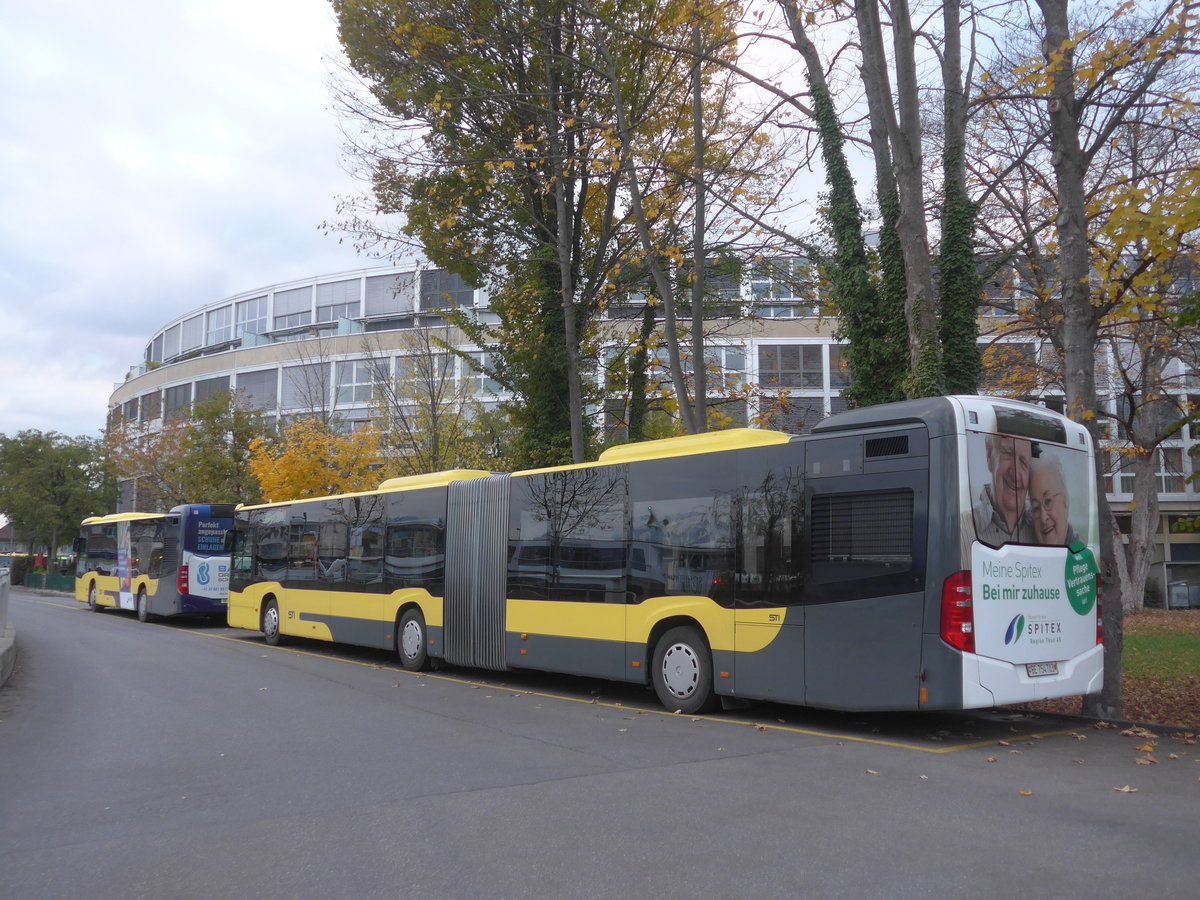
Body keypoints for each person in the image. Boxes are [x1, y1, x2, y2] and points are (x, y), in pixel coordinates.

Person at [972, 434, 1036, 545]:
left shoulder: (1041, 530)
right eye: (1008, 453)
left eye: (1023, 461)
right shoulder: (960, 528)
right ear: (989, 455)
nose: (1015, 475)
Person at [1029, 455, 1077, 546]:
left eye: (1048, 501)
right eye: (1036, 508)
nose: (1043, 518)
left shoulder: (1082, 552)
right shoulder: (1026, 552)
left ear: (1065, 500)